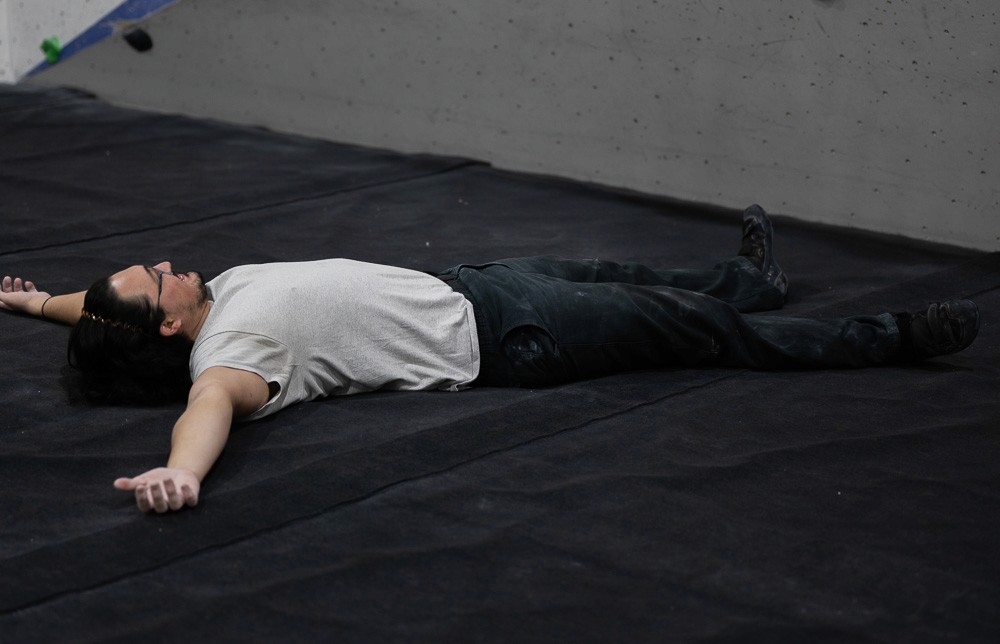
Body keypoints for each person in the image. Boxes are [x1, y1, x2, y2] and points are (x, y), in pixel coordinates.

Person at [0, 206, 980, 514]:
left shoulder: (184, 303)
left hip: (475, 283)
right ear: (167, 327)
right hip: (508, 334)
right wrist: (179, 469)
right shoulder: (228, 349)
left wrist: (36, 300)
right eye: (157, 276)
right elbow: (208, 405)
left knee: (627, 270)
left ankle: (748, 277)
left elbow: (99, 308)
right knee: (685, 324)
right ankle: (885, 336)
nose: (170, 264)